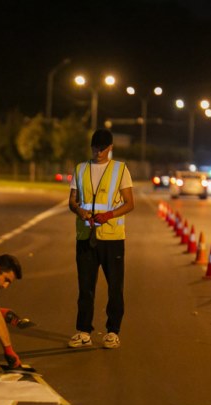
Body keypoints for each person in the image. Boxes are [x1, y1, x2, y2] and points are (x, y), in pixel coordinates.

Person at [67, 128, 134, 349]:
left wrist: (109, 215)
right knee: (85, 287)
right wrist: (79, 211)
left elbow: (129, 203)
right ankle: (84, 331)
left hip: (112, 238)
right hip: (86, 236)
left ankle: (113, 332)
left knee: (115, 287)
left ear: (110, 148)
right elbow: (72, 201)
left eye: (103, 148)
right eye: (95, 148)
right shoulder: (80, 169)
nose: (99, 152)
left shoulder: (120, 169)